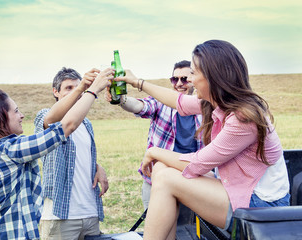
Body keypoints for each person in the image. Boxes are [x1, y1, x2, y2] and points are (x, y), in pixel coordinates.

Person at [115, 40, 290, 240]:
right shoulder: (219, 104)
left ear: (213, 77)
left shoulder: (243, 118)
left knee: (165, 178)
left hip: (260, 206)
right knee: (162, 169)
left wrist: (154, 151)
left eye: (194, 72)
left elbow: (197, 164)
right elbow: (178, 101)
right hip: (237, 188)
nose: (190, 79)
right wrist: (137, 82)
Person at [0, 68, 111, 239]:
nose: (22, 116)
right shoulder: (13, 149)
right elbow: (65, 128)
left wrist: (95, 165)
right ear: (1, 117)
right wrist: (92, 90)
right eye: (16, 111)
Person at [105, 60, 202, 211]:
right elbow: (139, 106)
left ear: (193, 80)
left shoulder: (204, 108)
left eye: (184, 79)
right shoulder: (162, 102)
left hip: (192, 182)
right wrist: (121, 99)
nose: (179, 83)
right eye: (174, 79)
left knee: (189, 232)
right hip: (158, 181)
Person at [34, 67, 111, 240]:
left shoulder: (87, 124)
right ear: (55, 92)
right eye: (69, 88)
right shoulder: (45, 116)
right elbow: (53, 120)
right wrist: (83, 86)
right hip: (60, 215)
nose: (76, 93)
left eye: (78, 88)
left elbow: (79, 157)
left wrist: (97, 166)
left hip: (90, 213)